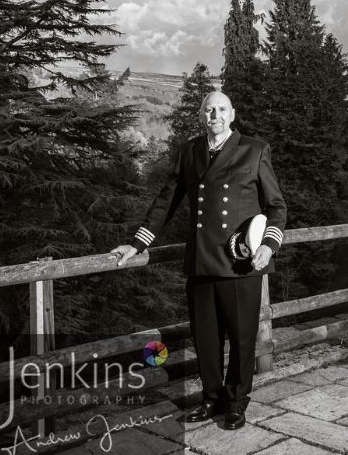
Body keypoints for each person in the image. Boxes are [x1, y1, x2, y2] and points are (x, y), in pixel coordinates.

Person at [110, 91, 286, 430]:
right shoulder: (189, 151)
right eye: (209, 110)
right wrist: (137, 244)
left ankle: (236, 402)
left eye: (221, 109)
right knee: (205, 337)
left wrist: (269, 245)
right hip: (201, 260)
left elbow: (277, 207)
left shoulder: (255, 148)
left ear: (232, 115)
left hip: (241, 262)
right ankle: (211, 398)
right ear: (200, 115)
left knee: (241, 337)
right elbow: (167, 201)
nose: (215, 115)